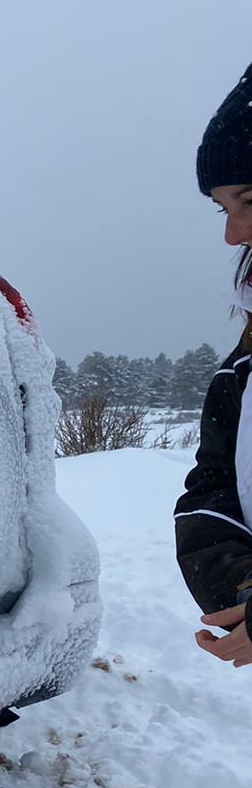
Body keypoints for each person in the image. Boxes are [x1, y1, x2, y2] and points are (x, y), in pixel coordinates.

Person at [176, 62, 252, 667]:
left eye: (248, 199)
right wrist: (244, 591)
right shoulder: (242, 368)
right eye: (223, 209)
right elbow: (212, 493)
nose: (233, 235)